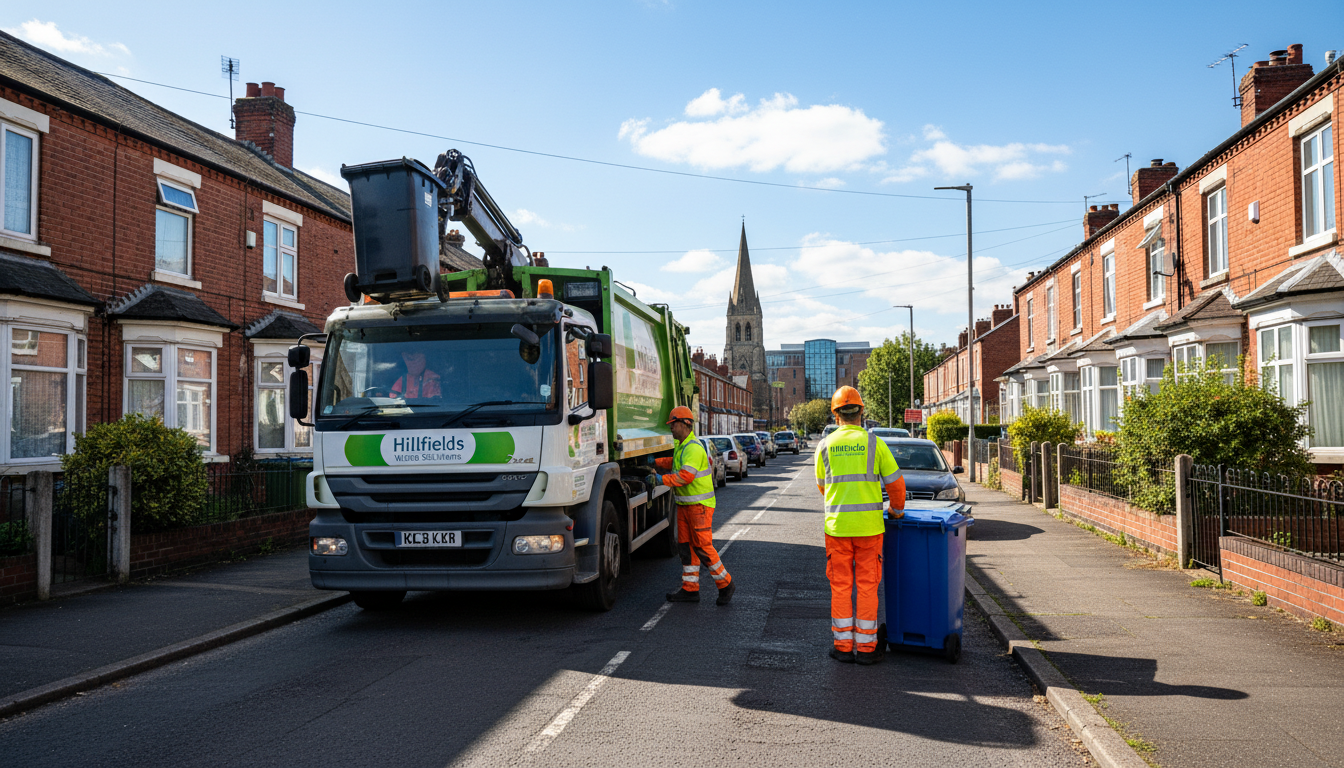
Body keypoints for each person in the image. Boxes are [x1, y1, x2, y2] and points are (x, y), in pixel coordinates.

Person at [816, 386, 906, 665]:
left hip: (838, 528)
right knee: (867, 586)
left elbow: (822, 487)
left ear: (835, 415)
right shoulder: (874, 443)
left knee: (841, 587)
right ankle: (866, 650)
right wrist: (896, 510)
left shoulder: (825, 446)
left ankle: (843, 647)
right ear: (861, 411)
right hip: (869, 529)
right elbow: (896, 485)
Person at [650, 405, 735, 605]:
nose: (670, 428)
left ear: (685, 424)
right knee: (686, 547)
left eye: (673, 424)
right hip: (686, 505)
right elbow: (675, 462)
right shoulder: (683, 446)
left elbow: (685, 476)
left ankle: (726, 584)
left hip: (699, 506)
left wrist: (661, 480)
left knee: (703, 548)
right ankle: (690, 589)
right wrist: (655, 461)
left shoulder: (694, 448)